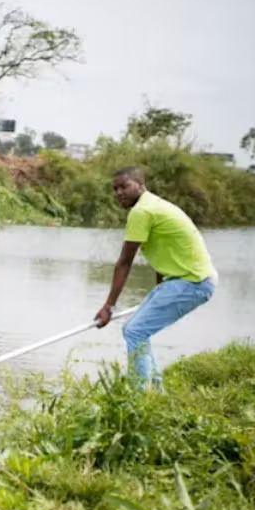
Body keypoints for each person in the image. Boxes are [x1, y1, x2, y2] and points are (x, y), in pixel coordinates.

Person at [94, 166, 217, 391]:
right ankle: (156, 392)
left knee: (135, 330)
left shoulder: (142, 212)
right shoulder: (154, 204)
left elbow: (125, 262)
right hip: (189, 280)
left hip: (192, 282)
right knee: (137, 329)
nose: (119, 193)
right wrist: (160, 288)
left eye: (124, 186)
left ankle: (138, 398)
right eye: (115, 189)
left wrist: (108, 306)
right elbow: (165, 249)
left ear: (141, 185)